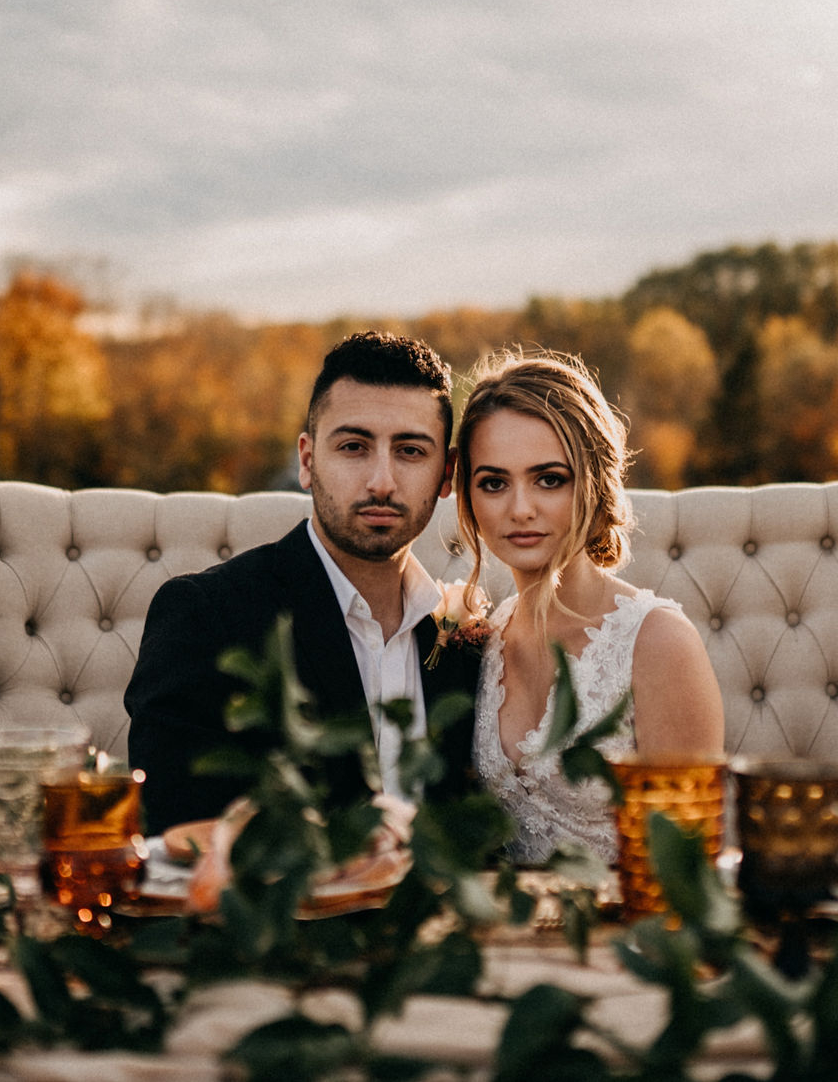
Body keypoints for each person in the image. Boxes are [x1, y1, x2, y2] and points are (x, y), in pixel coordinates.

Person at [125, 332, 480, 834]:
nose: (382, 481)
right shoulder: (204, 615)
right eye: (354, 447)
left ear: (446, 474)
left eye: (410, 451)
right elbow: (173, 825)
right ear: (308, 461)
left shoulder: (467, 643)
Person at [457, 350, 724, 863]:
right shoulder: (480, 637)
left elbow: (687, 865)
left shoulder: (658, 642)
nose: (520, 509)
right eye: (494, 483)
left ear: (595, 485)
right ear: (468, 496)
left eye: (549, 479)